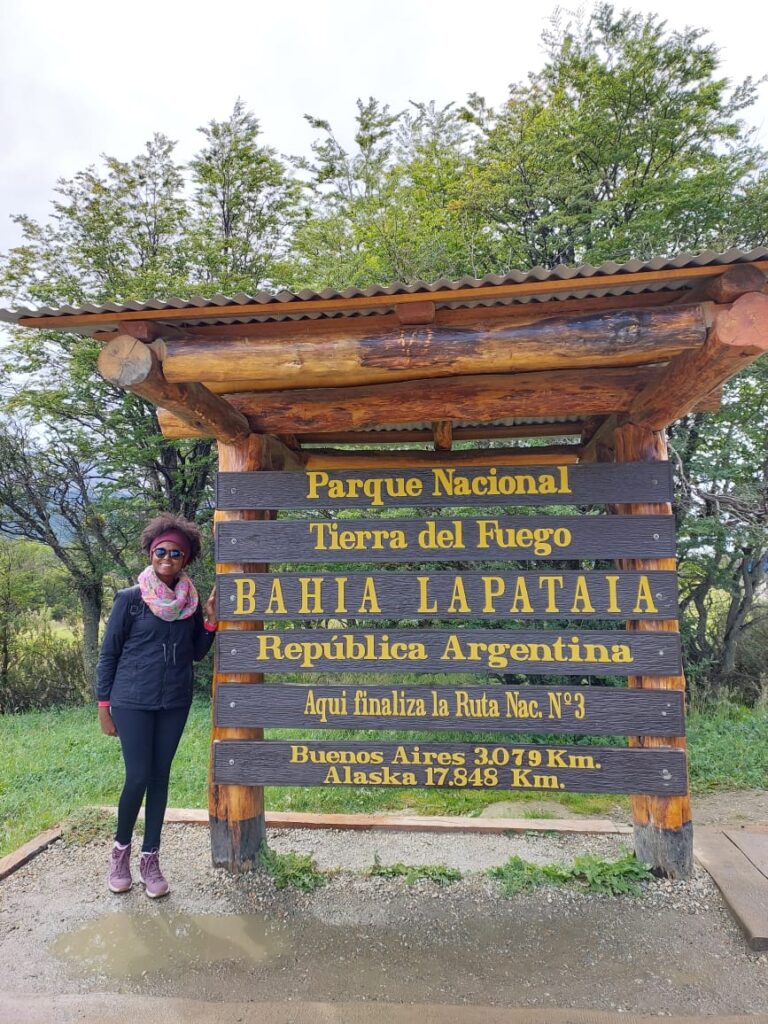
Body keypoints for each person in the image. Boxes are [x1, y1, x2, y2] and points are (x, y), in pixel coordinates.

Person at [96, 513, 217, 898]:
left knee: (160, 778)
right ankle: (120, 855)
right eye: (160, 551)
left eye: (175, 553)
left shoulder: (191, 602)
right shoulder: (130, 601)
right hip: (131, 701)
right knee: (137, 776)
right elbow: (108, 654)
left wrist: (211, 623)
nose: (167, 558)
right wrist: (104, 706)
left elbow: (195, 653)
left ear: (186, 559)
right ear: (151, 554)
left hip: (174, 702)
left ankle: (150, 860)